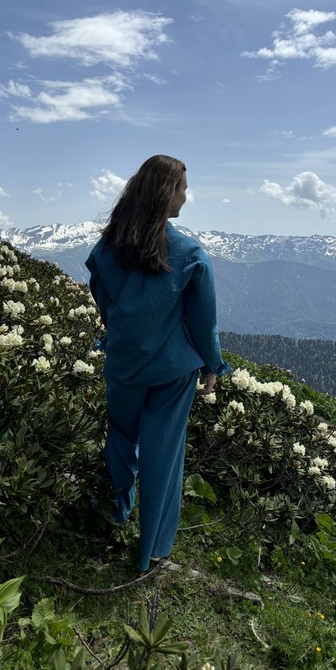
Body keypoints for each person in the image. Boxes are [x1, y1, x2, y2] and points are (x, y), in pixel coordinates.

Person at [85, 154, 231, 571]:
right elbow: (204, 321)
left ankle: (115, 513)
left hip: (124, 363)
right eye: (183, 188)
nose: (186, 196)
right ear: (167, 193)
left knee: (121, 437)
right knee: (163, 454)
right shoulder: (189, 253)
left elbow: (103, 298)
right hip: (171, 371)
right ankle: (152, 550)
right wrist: (212, 366)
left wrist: (120, 333)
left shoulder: (108, 247)